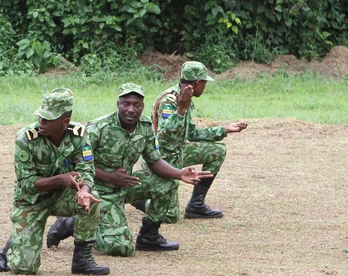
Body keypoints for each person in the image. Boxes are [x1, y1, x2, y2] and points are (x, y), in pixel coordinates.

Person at [45, 84, 209, 255]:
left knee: (167, 182)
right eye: (126, 104)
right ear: (118, 104)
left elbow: (154, 161)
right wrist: (109, 177)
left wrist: (179, 173)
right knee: (121, 248)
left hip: (125, 186)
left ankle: (149, 236)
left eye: (136, 105)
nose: (131, 109)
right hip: (99, 192)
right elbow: (75, 163)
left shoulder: (145, 126)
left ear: (142, 106)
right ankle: (70, 223)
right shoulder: (99, 128)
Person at [0, 88, 109, 276]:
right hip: (32, 201)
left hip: (62, 196)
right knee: (24, 268)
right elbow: (26, 183)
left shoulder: (79, 135)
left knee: (92, 199)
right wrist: (61, 179)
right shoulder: (26, 137)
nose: (42, 121)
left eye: (48, 118)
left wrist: (84, 190)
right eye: (41, 115)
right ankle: (14, 243)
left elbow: (86, 168)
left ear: (65, 122)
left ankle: (83, 260)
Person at [152, 61, 247, 220]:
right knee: (169, 216)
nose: (204, 87)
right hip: (162, 159)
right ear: (197, 83)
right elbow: (163, 138)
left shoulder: (185, 98)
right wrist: (181, 109)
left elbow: (192, 134)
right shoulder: (169, 101)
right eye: (204, 83)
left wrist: (225, 129)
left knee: (217, 151)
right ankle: (139, 197)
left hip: (178, 152)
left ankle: (196, 205)